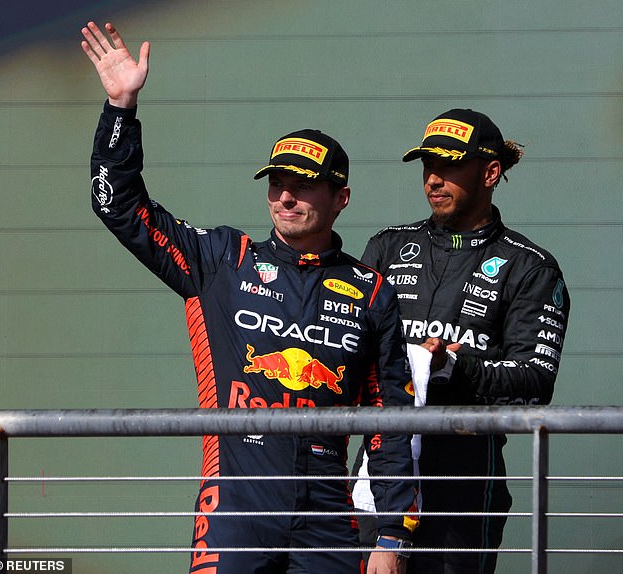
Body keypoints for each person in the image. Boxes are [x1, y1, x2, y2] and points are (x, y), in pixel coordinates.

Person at [81, 21, 418, 574]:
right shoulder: (222, 260)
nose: (286, 195)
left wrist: (392, 537)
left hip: (328, 515)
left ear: (342, 198)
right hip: (235, 506)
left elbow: (393, 423)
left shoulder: (372, 292)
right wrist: (121, 108)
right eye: (277, 181)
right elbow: (118, 205)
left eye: (304, 184)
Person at [352, 108, 571, 573]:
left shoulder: (529, 266)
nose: (433, 178)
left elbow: (536, 379)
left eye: (450, 165)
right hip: (379, 477)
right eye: (428, 166)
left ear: (490, 172)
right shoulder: (387, 247)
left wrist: (455, 367)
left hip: (465, 483)